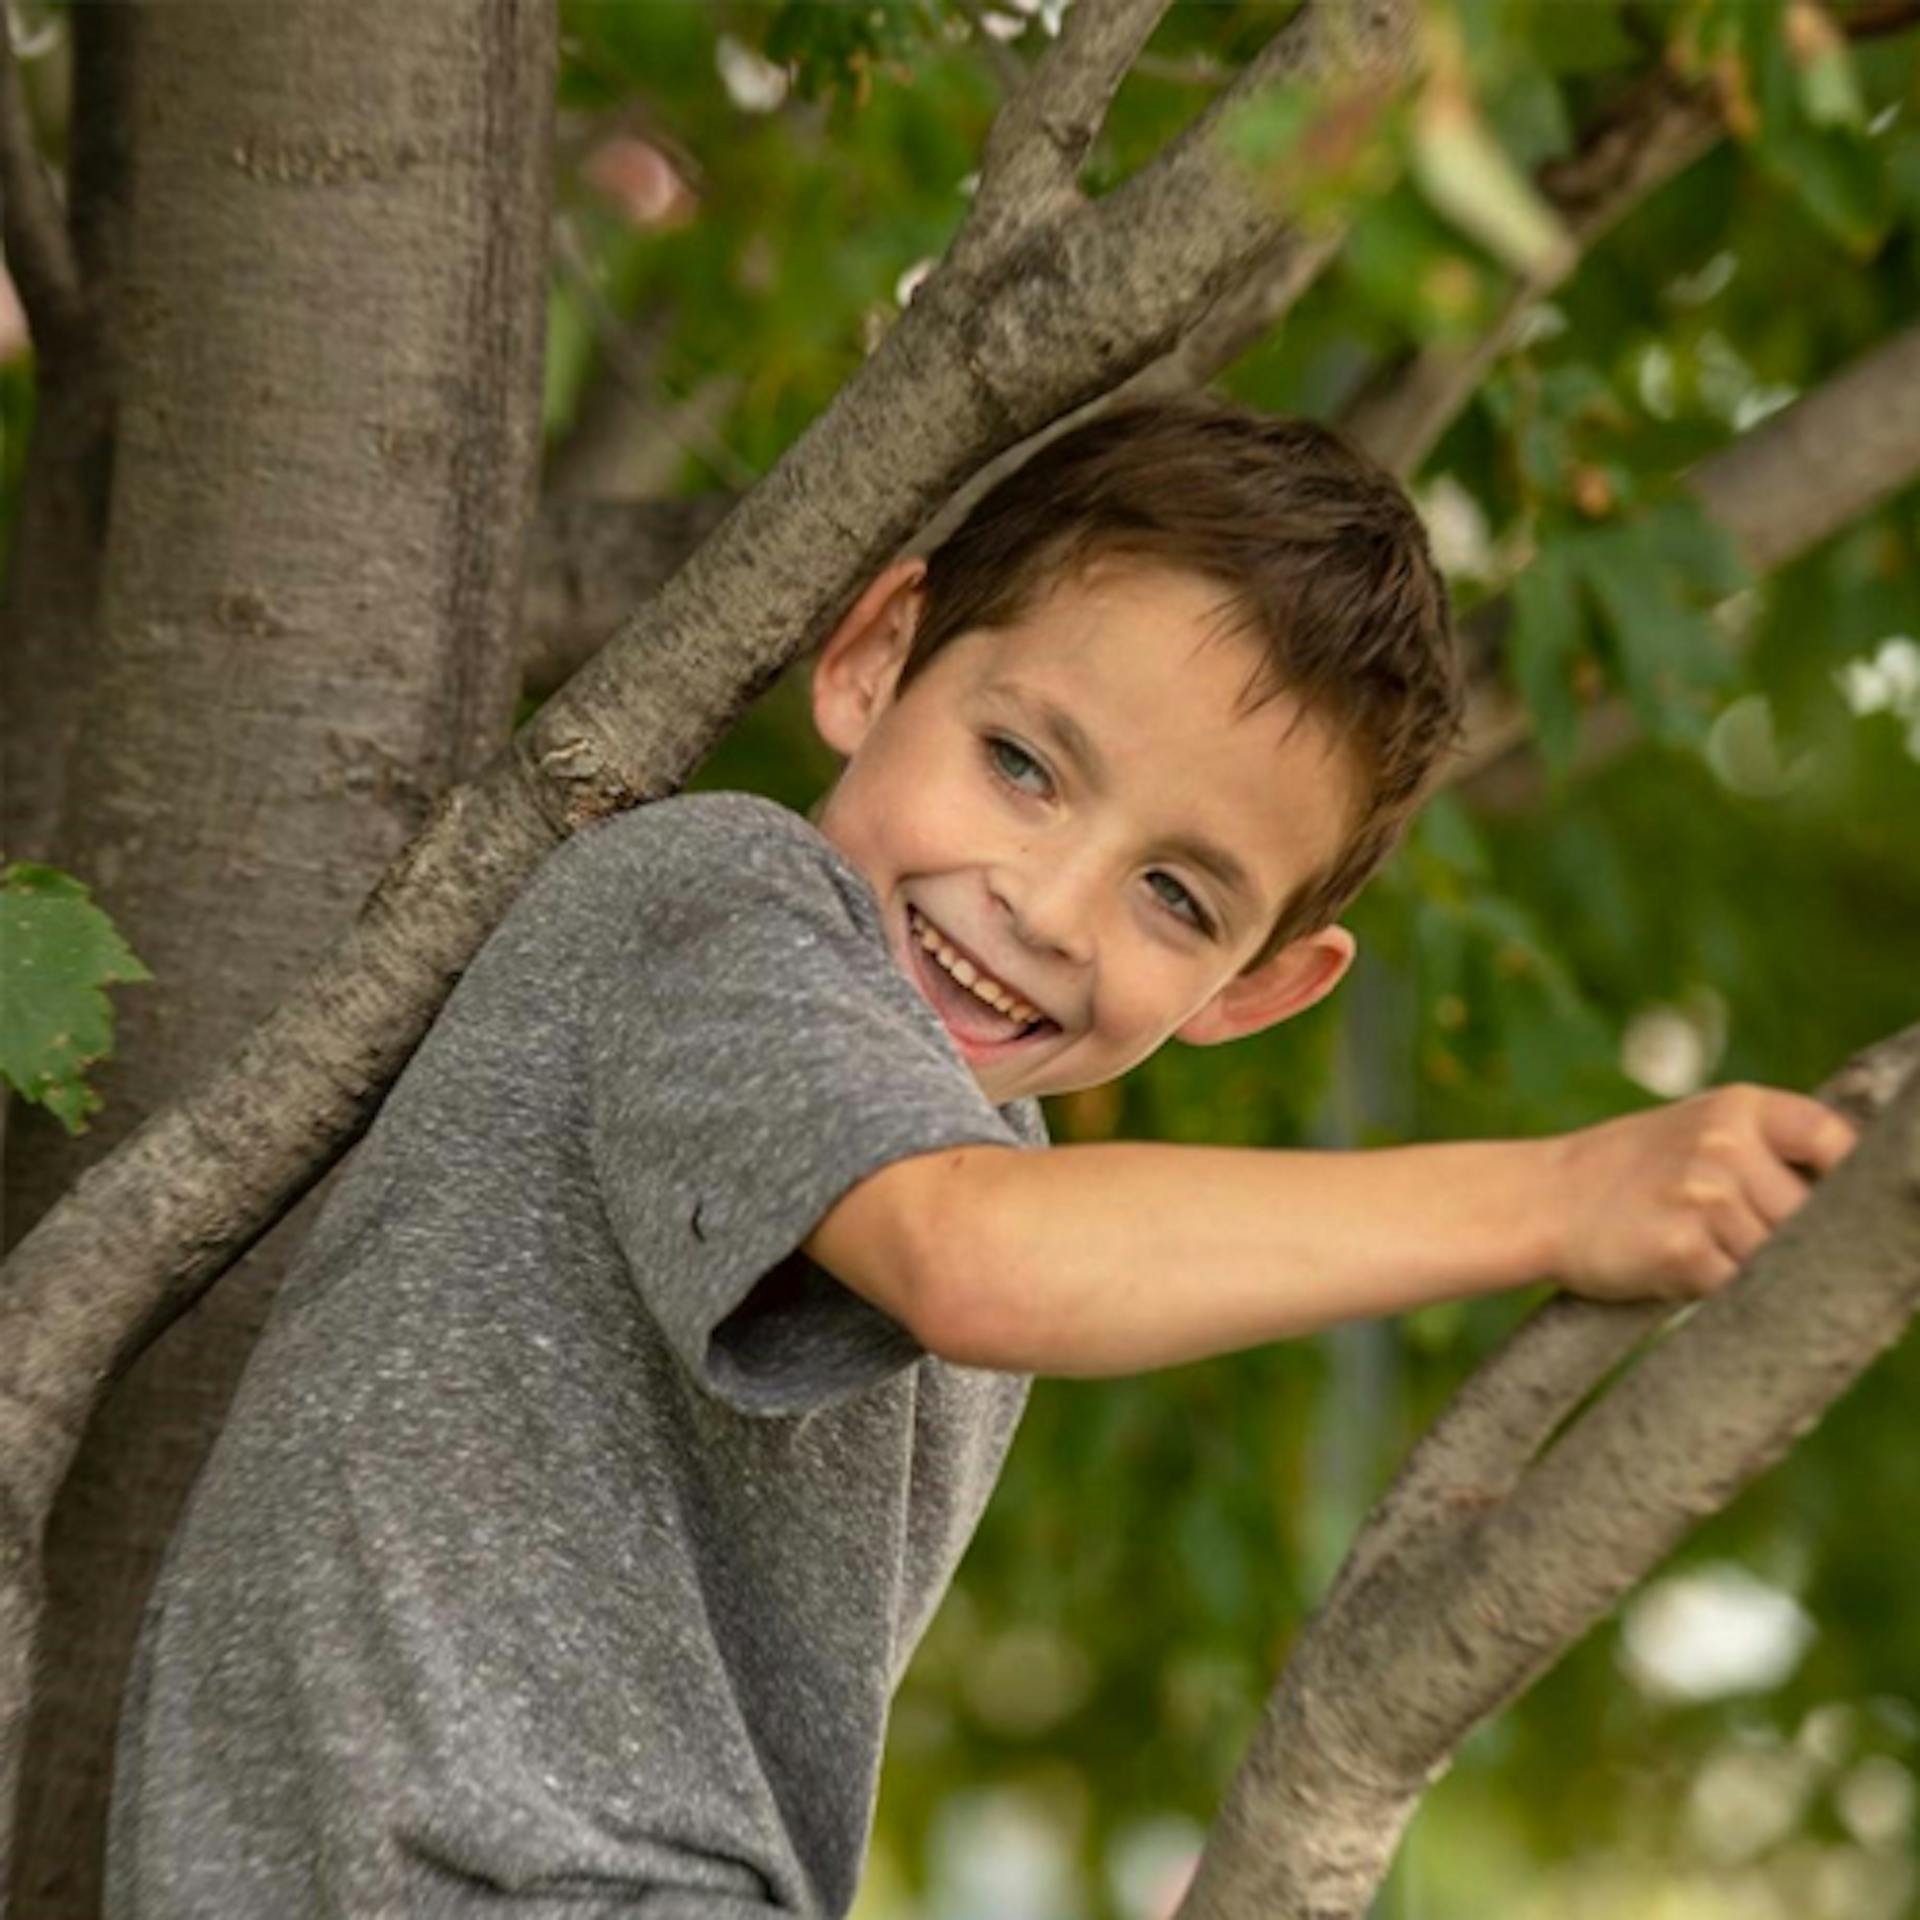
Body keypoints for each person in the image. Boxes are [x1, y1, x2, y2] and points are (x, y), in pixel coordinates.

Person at [106, 400, 1856, 1918]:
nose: (1046, 905)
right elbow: (980, 1255)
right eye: (1023, 764)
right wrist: (1563, 1195)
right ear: (876, 657)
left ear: (1259, 991)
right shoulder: (717, 899)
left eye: (1177, 896)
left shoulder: (994, 1154)